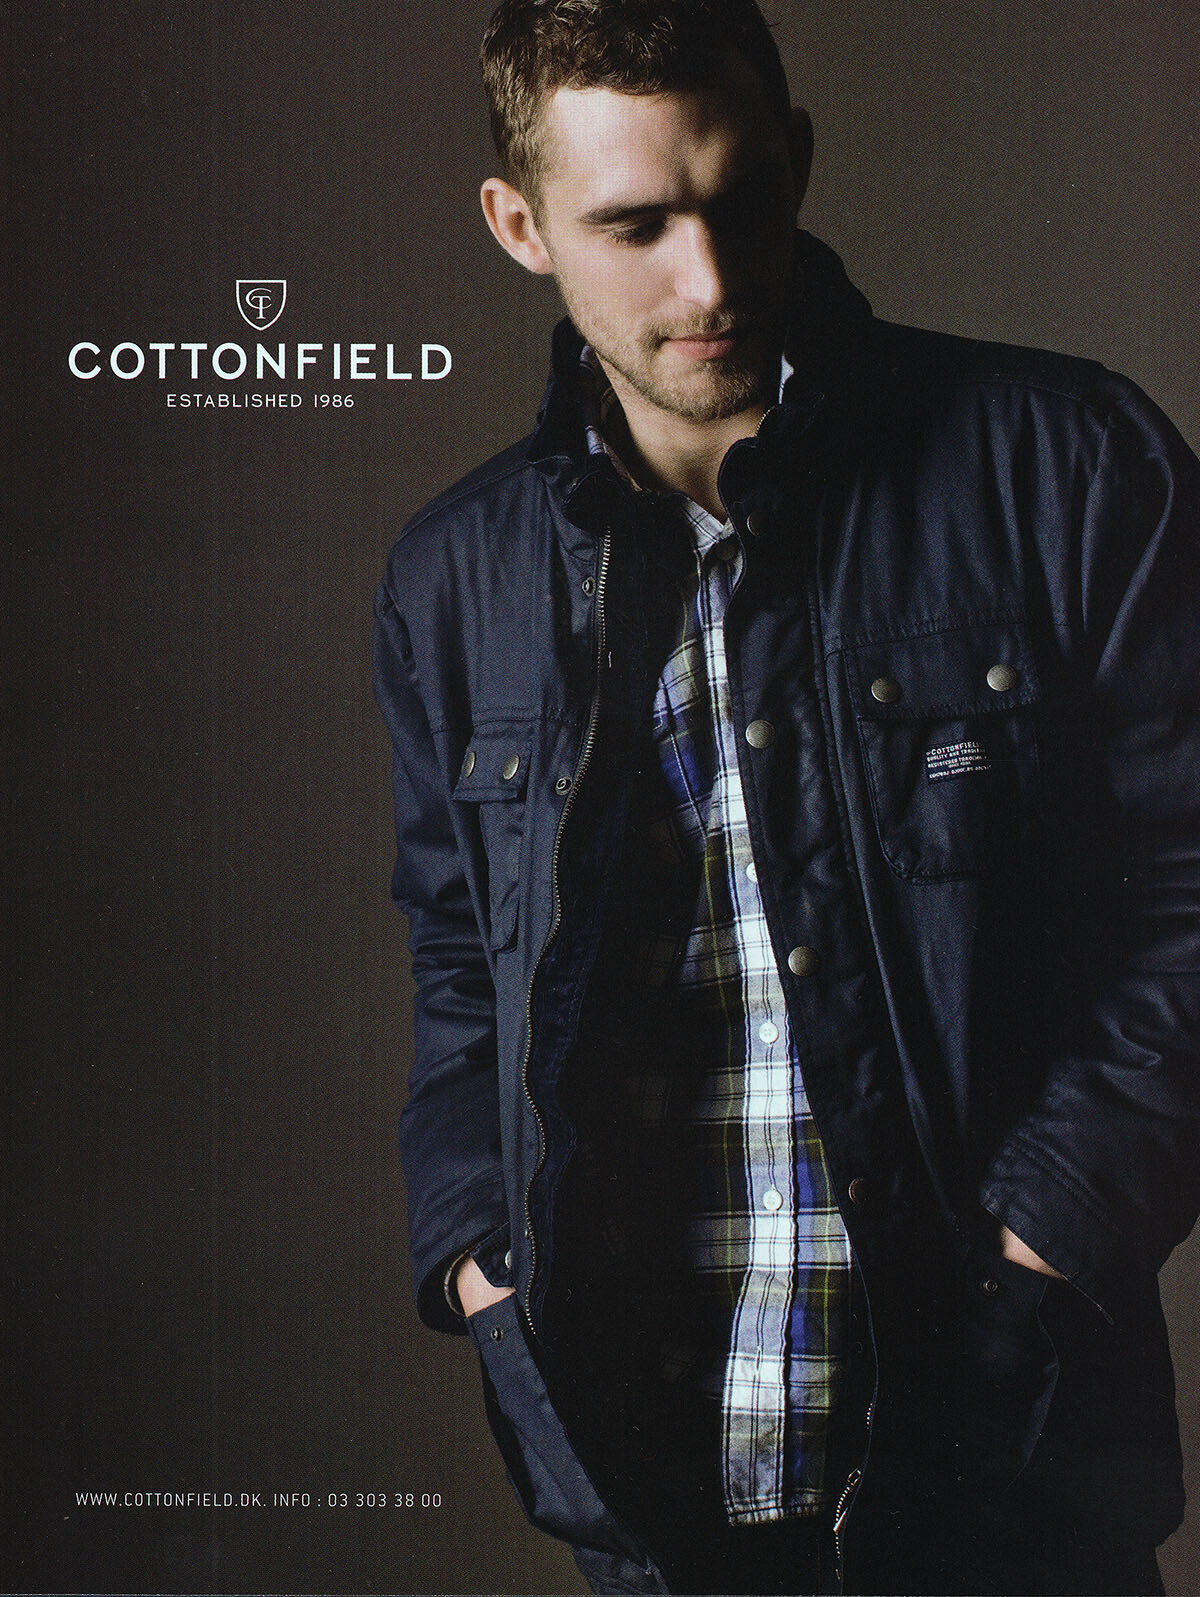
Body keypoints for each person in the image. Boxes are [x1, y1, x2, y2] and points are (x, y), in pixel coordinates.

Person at [372, 2, 1200, 1591]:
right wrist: (485, 1269)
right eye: (635, 225)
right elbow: (462, 968)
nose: (708, 279)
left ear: (800, 163)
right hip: (650, 1495)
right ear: (520, 226)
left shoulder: (1067, 466)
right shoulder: (453, 581)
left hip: (1007, 1474)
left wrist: (1036, 1253)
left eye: (740, 200)